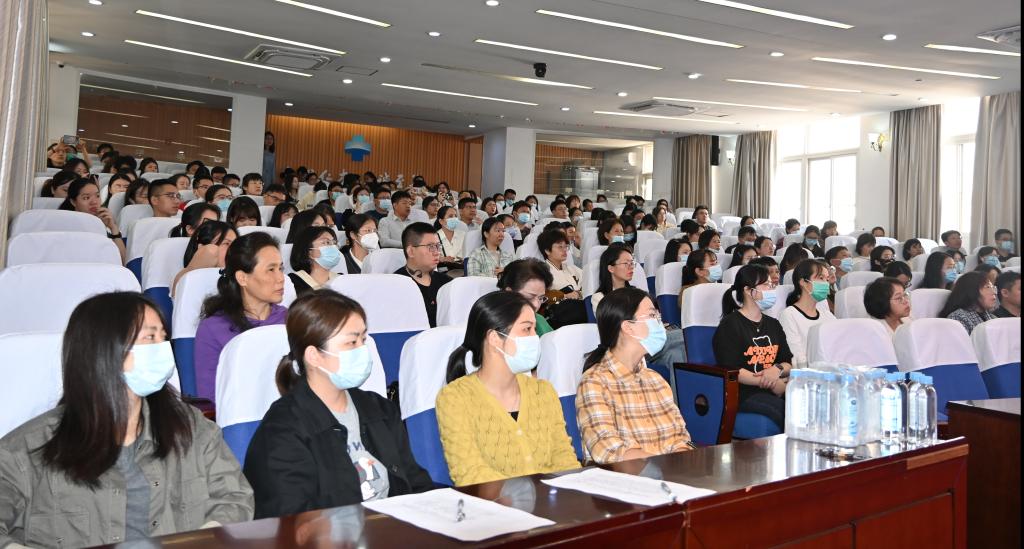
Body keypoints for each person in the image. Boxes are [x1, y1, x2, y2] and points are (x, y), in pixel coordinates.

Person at [0, 293, 253, 548]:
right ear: (106, 352)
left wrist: (201, 542)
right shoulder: (27, 451)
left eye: (163, 337)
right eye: (150, 338)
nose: (163, 349)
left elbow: (235, 498)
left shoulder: (191, 428)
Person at [243, 290, 432, 516]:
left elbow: (415, 483)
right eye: (351, 342)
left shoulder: (380, 409)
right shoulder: (282, 429)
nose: (363, 350)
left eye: (363, 339)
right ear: (314, 356)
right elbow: (292, 518)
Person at [435, 292, 578, 486]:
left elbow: (564, 458)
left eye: (534, 329)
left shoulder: (543, 391)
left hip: (552, 500)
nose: (535, 337)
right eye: (527, 329)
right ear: (495, 338)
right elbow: (470, 473)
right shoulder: (455, 398)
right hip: (494, 503)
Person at [576, 287, 693, 464]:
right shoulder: (594, 382)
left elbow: (680, 438)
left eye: (658, 316)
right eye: (652, 315)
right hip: (625, 477)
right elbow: (608, 451)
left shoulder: (656, 380)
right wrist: (663, 467)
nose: (659, 323)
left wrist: (681, 465)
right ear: (628, 327)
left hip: (669, 473)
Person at [194, 232, 287, 401]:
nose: (280, 278)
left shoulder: (290, 319)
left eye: (280, 268)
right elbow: (210, 396)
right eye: (271, 270)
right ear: (242, 278)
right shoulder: (213, 328)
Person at [712, 264, 793, 431]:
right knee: (787, 414)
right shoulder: (729, 325)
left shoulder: (773, 324)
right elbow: (733, 370)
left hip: (774, 386)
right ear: (748, 290)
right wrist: (772, 383)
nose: (772, 289)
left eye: (772, 285)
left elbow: (787, 363)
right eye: (766, 285)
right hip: (743, 392)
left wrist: (776, 369)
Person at [779, 260, 836, 369]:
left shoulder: (828, 316)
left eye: (827, 279)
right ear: (803, 282)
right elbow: (796, 357)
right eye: (821, 278)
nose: (826, 283)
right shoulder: (789, 315)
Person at [395, 222, 452, 327]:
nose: (437, 252)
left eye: (438, 246)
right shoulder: (396, 285)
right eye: (431, 247)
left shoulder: (447, 283)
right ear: (411, 251)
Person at [58, 178, 127, 263]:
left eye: (97, 196)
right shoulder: (65, 226)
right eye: (86, 198)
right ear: (73, 202)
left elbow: (123, 262)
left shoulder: (106, 224)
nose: (94, 202)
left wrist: (113, 228)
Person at [171, 221, 237, 298]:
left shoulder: (240, 276)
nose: (234, 249)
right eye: (226, 243)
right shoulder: (185, 278)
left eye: (236, 244)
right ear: (202, 248)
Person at [498, 258, 556, 337]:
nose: (536, 305)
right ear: (509, 293)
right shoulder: (495, 322)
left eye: (540, 298)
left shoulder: (539, 320)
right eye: (529, 297)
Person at [288, 226, 342, 296]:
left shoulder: (341, 279)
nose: (333, 247)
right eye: (326, 242)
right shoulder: (293, 282)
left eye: (334, 243)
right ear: (309, 252)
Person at [538, 229, 582, 299]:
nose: (565, 250)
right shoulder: (542, 272)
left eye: (566, 246)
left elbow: (586, 279)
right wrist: (565, 296)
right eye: (560, 247)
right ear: (547, 251)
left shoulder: (570, 268)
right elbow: (541, 296)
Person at [434, 205, 467, 273]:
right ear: (441, 221)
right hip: (443, 272)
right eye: (450, 216)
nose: (454, 218)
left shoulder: (463, 235)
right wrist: (442, 259)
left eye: (455, 216)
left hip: (462, 270)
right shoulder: (434, 237)